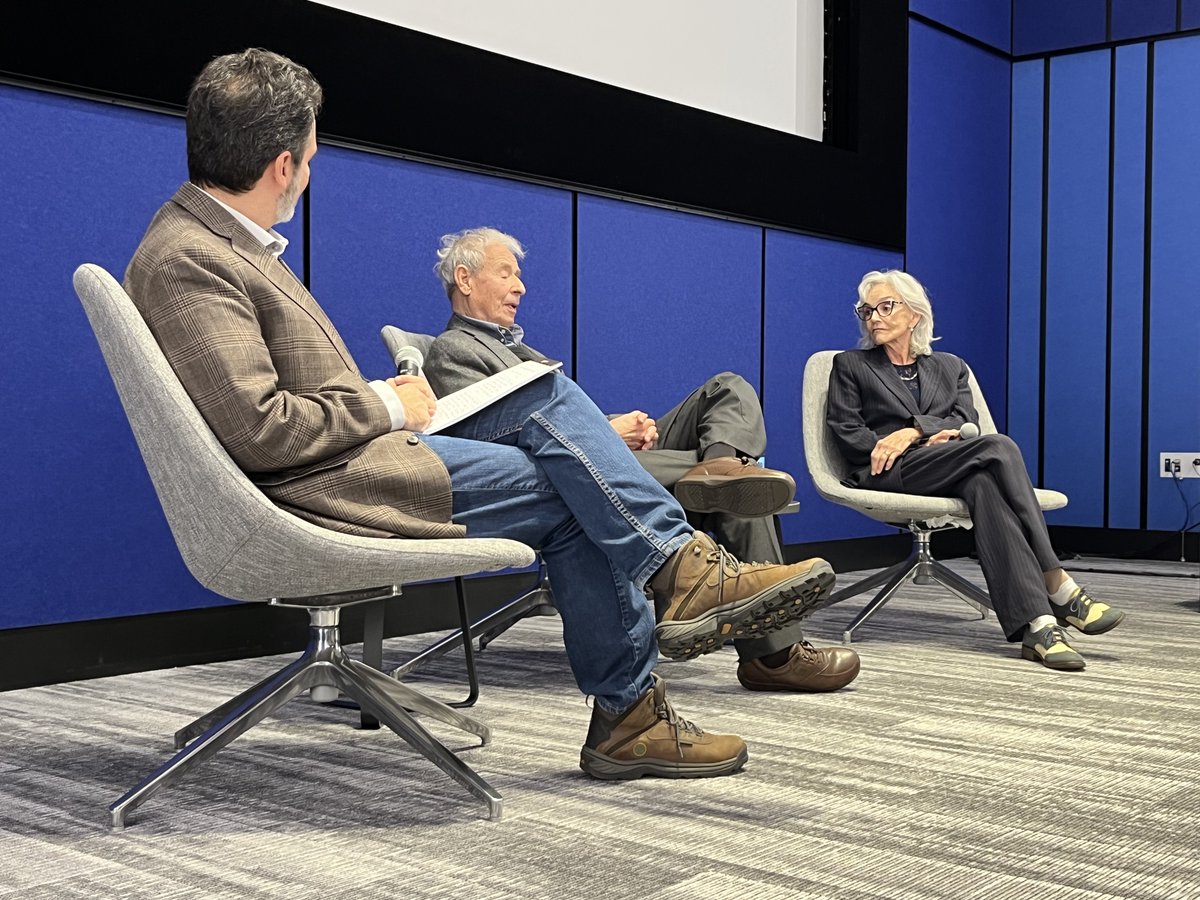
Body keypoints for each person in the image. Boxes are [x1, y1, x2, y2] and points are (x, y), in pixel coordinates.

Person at [122, 47, 839, 783]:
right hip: (320, 485)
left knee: (547, 415)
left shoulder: (219, 246)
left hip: (346, 461)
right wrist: (381, 403)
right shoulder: (192, 258)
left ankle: (661, 636)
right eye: (308, 156)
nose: (309, 171)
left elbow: (268, 403)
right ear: (282, 165)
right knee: (561, 450)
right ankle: (656, 643)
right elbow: (259, 429)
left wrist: (383, 401)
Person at [423, 227, 861, 693]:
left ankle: (721, 465)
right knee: (742, 491)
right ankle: (774, 655)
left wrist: (620, 426)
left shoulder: (513, 346)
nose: (521, 286)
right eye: (506, 273)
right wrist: (610, 434)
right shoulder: (454, 350)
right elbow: (496, 446)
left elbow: (560, 418)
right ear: (465, 279)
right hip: (566, 472)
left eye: (519, 275)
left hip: (595, 451)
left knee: (727, 388)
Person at [825, 269, 1126, 670]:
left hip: (947, 465)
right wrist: (903, 440)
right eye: (867, 310)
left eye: (885, 307)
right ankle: (1058, 583)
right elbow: (847, 432)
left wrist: (913, 430)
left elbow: (965, 420)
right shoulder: (852, 365)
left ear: (914, 315)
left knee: (984, 480)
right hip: (888, 472)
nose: (873, 317)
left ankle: (1037, 626)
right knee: (998, 446)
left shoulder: (950, 367)